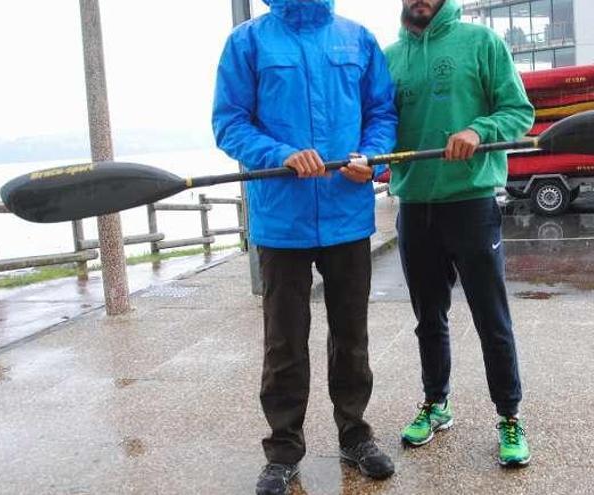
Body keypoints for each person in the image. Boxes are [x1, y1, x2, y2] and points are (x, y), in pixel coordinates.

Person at [212, 1, 398, 493]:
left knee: (351, 337)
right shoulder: (247, 41)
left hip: (347, 215)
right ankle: (282, 450)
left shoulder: (357, 38)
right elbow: (229, 122)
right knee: (284, 343)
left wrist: (372, 158)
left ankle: (355, 436)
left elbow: (381, 112)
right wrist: (279, 154)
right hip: (280, 220)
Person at [384, 0, 535, 467]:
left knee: (492, 319)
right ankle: (436, 404)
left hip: (471, 203)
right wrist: (363, 155)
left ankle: (509, 415)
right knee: (429, 318)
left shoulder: (482, 43)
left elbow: (518, 112)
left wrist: (478, 128)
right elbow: (380, 126)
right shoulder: (390, 57)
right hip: (415, 206)